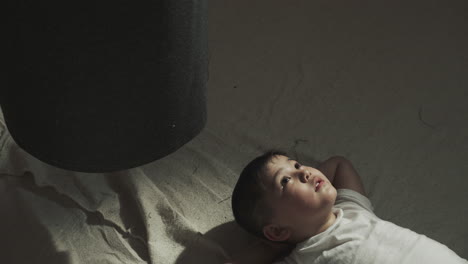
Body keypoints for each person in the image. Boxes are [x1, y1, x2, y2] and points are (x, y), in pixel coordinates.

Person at [230, 150, 468, 263]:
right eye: (285, 180)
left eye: (297, 164)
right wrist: (270, 248)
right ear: (278, 230)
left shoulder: (351, 209)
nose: (303, 172)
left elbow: (338, 163)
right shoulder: (300, 260)